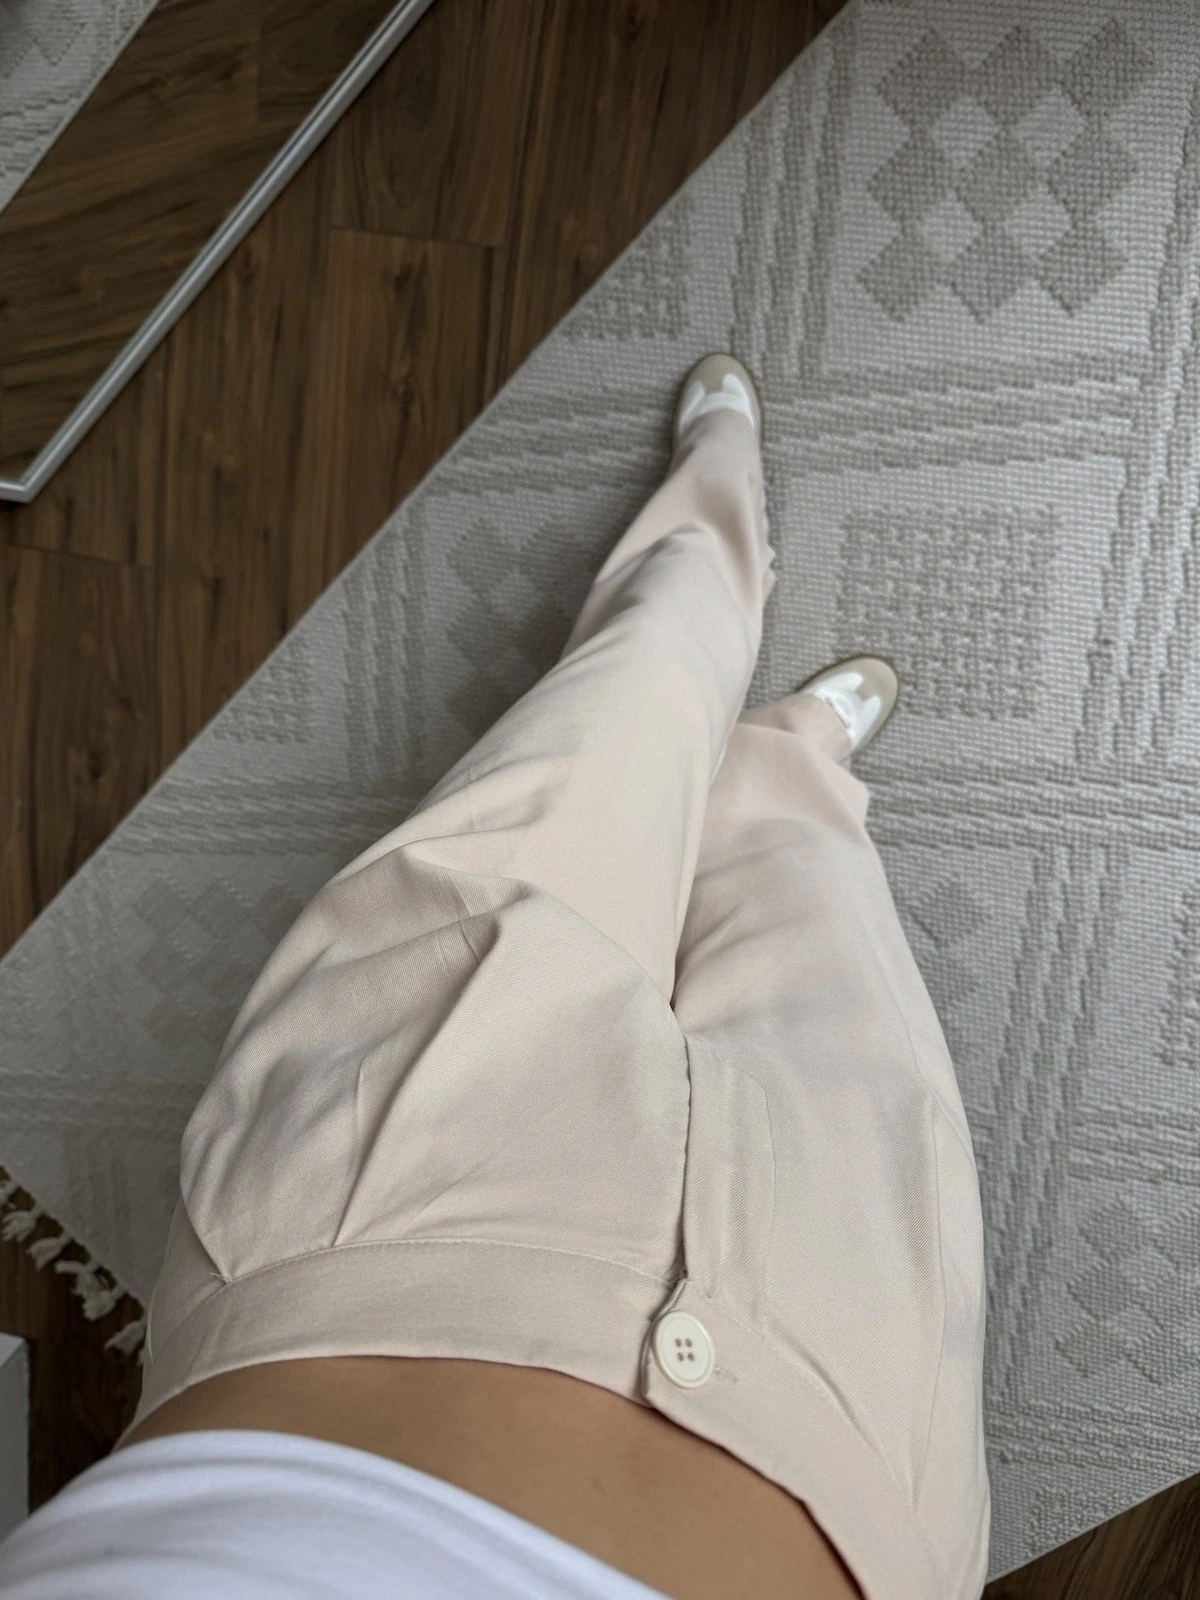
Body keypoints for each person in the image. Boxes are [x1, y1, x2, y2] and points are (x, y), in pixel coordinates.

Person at [0, 355, 990, 1600]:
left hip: (374, 1237)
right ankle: (787, 768)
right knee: (827, 939)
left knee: (612, 721)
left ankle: (707, 534)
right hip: (856, 1454)